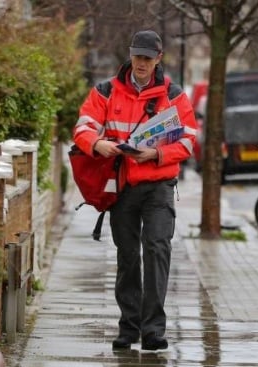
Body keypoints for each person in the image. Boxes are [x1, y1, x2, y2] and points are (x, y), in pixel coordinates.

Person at [72, 30, 197, 350]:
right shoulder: (105, 91)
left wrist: (156, 154)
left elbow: (188, 140)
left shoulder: (175, 95)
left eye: (147, 57)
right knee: (128, 256)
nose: (141, 63)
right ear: (131, 55)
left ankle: (153, 329)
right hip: (123, 185)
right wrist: (97, 144)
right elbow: (83, 126)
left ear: (159, 59)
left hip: (158, 185)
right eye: (137, 56)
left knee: (157, 250)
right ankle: (129, 327)